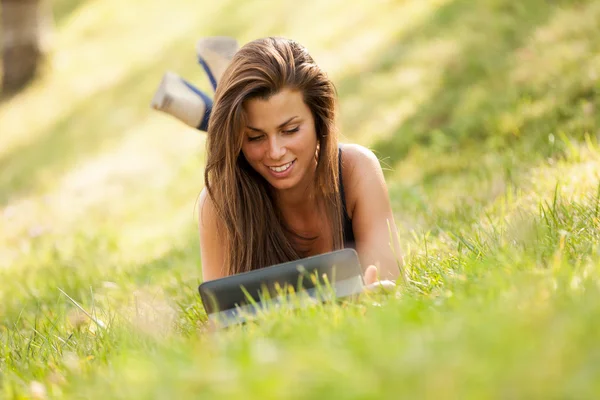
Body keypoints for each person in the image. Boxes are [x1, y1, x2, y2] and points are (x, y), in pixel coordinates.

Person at [198, 37, 403, 289]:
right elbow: (222, 318)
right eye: (255, 137)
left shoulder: (356, 170)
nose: (275, 152)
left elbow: (390, 285)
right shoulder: (220, 200)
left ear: (319, 119)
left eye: (291, 130)